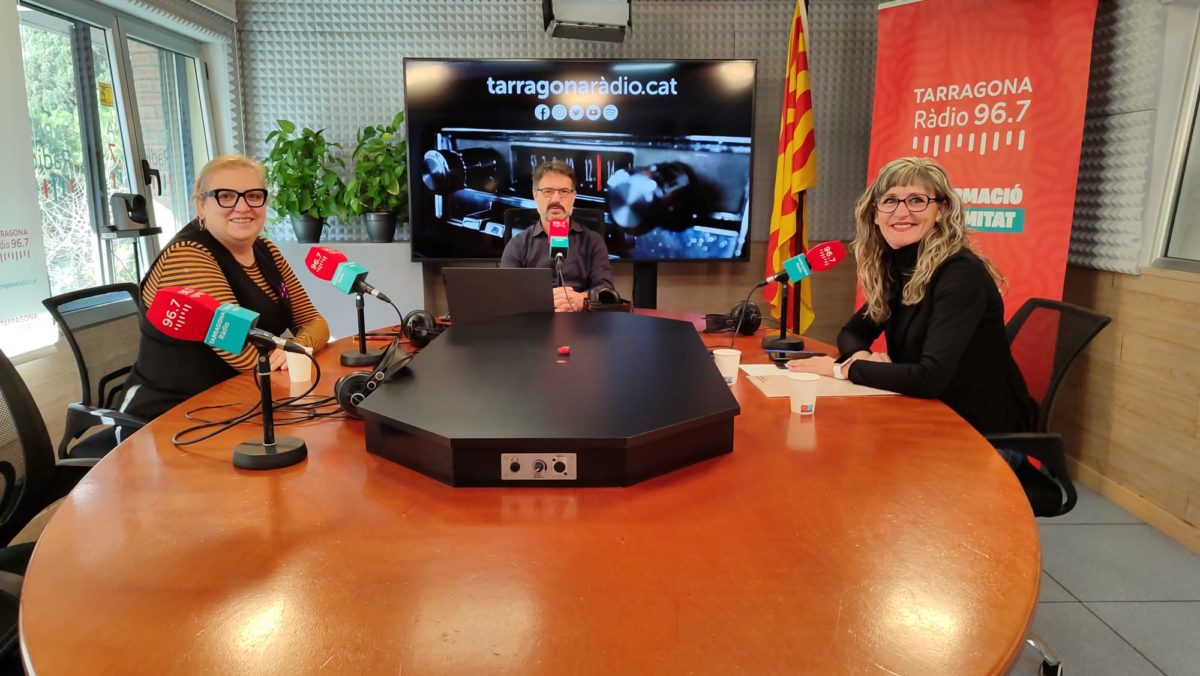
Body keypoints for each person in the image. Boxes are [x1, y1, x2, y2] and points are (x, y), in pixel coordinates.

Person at [787, 157, 1036, 438]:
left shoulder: (960, 274)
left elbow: (930, 378)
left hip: (978, 434)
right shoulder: (901, 266)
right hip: (923, 413)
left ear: (941, 210)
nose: (901, 211)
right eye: (890, 200)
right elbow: (853, 332)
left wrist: (844, 368)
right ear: (875, 212)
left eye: (917, 200)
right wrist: (860, 355)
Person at [120, 155, 330, 420]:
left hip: (240, 403)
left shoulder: (267, 250)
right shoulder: (188, 255)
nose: (242, 207)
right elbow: (245, 356)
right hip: (170, 418)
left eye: (253, 196)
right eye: (226, 196)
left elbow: (314, 321)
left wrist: (297, 347)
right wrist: (294, 354)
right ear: (201, 205)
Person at [500, 159, 614, 312]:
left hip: (582, 326)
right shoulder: (518, 245)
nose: (556, 199)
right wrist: (541, 302)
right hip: (534, 328)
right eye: (548, 191)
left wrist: (582, 299)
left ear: (573, 196)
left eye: (564, 192)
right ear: (535, 195)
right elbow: (506, 297)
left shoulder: (592, 241)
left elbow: (606, 292)